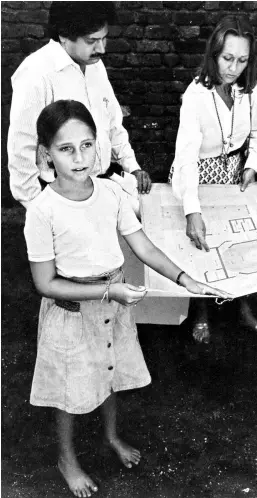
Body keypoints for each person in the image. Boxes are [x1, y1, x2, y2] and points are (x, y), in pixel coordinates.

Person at [24, 99, 231, 497]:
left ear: (98, 146)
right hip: (73, 311)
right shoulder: (43, 211)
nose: (80, 158)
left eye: (87, 145)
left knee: (110, 375)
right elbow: (46, 284)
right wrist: (108, 291)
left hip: (112, 305)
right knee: (70, 391)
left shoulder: (110, 194)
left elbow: (145, 248)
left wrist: (189, 279)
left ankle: (111, 436)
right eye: (66, 149)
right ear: (46, 154)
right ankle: (66, 458)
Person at [169, 15, 257, 344]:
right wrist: (191, 209)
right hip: (197, 174)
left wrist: (251, 166)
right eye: (228, 58)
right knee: (202, 245)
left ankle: (243, 307)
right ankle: (201, 311)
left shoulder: (248, 89)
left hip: (233, 172)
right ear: (214, 53)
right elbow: (186, 156)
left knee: (239, 240)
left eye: (242, 60)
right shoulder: (195, 95)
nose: (233, 68)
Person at [8, 1, 151, 210]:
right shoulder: (36, 74)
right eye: (91, 40)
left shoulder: (95, 66)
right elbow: (21, 150)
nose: (101, 49)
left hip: (103, 186)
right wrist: (40, 209)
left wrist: (132, 167)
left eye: (104, 38)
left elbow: (112, 124)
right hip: (62, 197)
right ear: (64, 35)